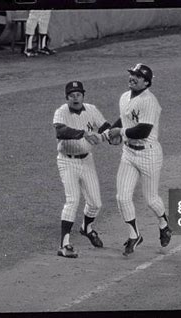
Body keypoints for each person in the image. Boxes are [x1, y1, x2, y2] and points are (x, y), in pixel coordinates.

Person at [108, 63, 172, 256]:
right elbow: (123, 118)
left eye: (137, 76)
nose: (132, 78)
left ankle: (163, 224)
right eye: (131, 74)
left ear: (146, 82)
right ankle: (134, 234)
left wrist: (120, 132)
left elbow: (143, 130)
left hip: (149, 154)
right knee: (122, 197)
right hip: (128, 153)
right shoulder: (124, 97)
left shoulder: (149, 102)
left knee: (151, 198)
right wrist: (109, 133)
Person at [53, 81, 111, 258]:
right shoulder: (61, 112)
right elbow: (60, 132)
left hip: (87, 161)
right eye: (72, 95)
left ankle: (86, 227)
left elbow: (106, 127)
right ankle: (65, 245)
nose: (75, 97)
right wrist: (84, 133)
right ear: (67, 97)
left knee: (95, 203)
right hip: (67, 161)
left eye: (78, 94)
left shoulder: (91, 109)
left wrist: (110, 136)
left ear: (83, 96)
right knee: (72, 200)